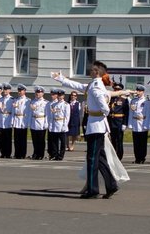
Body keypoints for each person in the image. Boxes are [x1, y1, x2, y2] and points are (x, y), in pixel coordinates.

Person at [55, 64, 135, 198]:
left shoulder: (96, 86)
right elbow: (78, 86)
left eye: (91, 69)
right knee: (101, 158)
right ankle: (111, 186)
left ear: (96, 72)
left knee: (92, 158)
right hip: (97, 126)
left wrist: (104, 109)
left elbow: (104, 106)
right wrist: (61, 79)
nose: (89, 71)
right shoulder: (94, 84)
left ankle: (93, 190)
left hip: (96, 126)